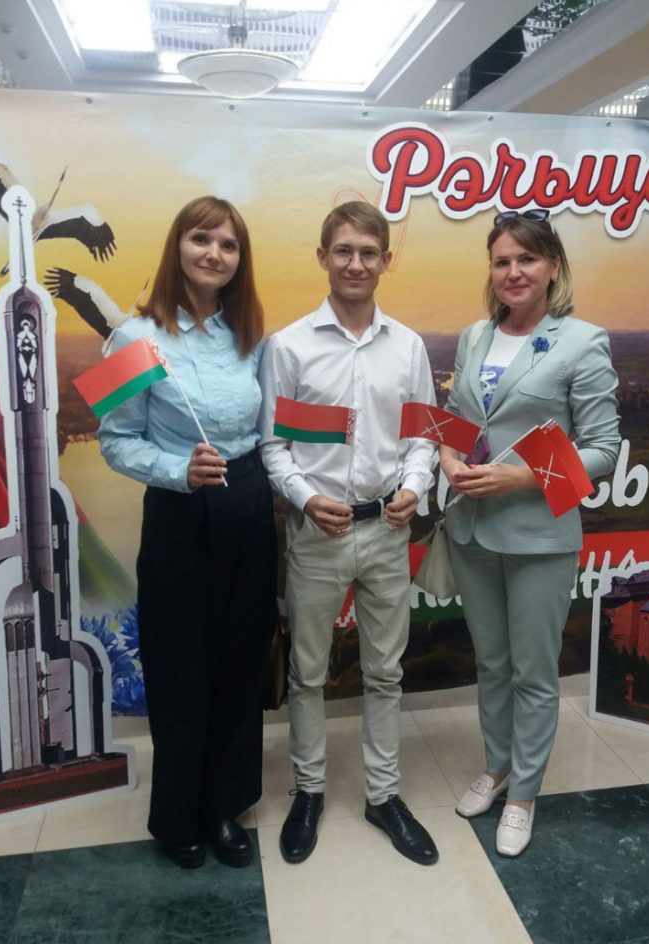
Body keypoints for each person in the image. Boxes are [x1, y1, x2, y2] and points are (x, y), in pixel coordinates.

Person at [99, 196, 277, 869]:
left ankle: (226, 805)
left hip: (247, 507)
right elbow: (115, 441)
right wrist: (178, 470)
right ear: (178, 246)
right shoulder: (133, 337)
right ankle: (178, 816)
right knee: (181, 663)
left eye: (228, 245)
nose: (214, 254)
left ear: (240, 260)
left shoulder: (251, 336)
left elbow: (269, 431)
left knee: (240, 658)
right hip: (180, 514)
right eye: (202, 239)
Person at [259, 201, 439, 866]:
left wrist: (416, 485)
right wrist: (306, 498)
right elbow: (274, 447)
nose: (355, 263)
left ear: (386, 260)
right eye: (343, 250)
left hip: (388, 530)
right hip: (317, 534)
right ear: (323, 257)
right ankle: (308, 791)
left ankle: (382, 796)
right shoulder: (289, 346)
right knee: (308, 673)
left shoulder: (409, 347)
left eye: (368, 252)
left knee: (385, 673)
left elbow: (423, 437)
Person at [439, 209, 620, 857]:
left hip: (540, 532)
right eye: (502, 261)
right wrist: (448, 460)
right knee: (491, 662)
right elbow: (459, 419)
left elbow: (602, 450)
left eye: (526, 259)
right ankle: (497, 766)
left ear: (552, 267)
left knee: (533, 672)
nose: (513, 272)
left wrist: (521, 478)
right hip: (471, 529)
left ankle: (523, 794)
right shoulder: (474, 337)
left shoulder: (581, 341)